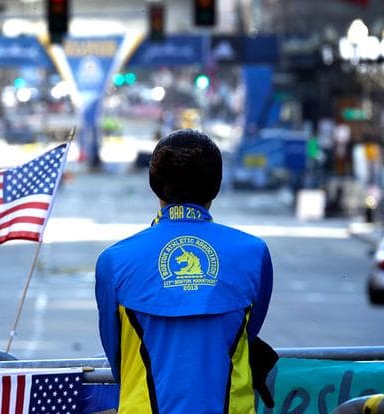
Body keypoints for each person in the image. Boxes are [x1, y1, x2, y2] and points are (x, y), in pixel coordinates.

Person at [95, 129, 275, 413]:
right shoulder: (254, 253)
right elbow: (248, 333)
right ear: (215, 187)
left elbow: (118, 357)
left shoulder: (113, 261)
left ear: (155, 186)